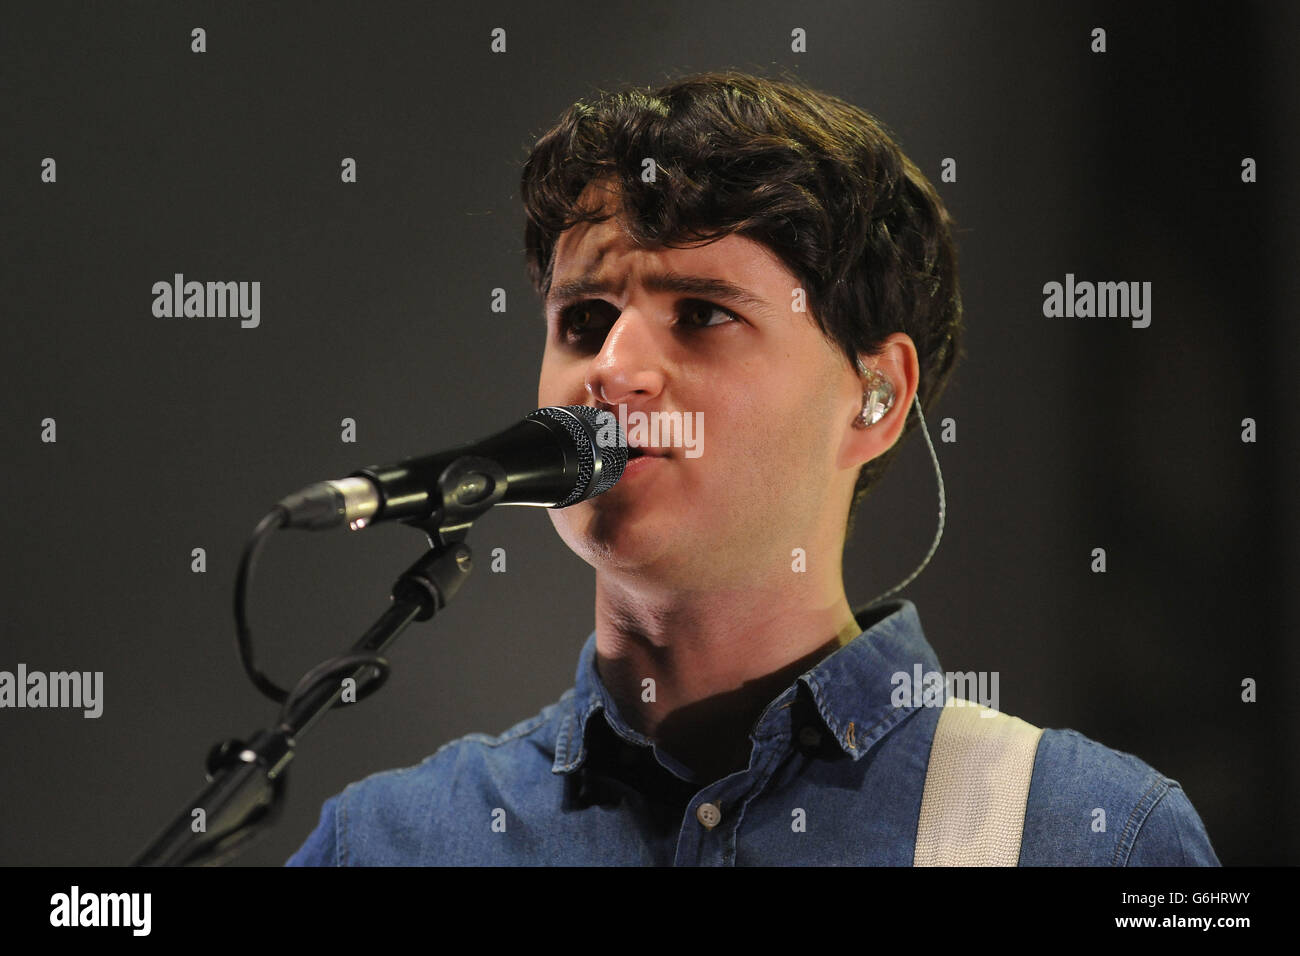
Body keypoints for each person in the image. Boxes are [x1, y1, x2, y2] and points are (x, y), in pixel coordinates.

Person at [287, 70, 1219, 866]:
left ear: (877, 397)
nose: (613, 367)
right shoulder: (387, 841)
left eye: (701, 312)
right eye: (584, 321)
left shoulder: (1086, 837)